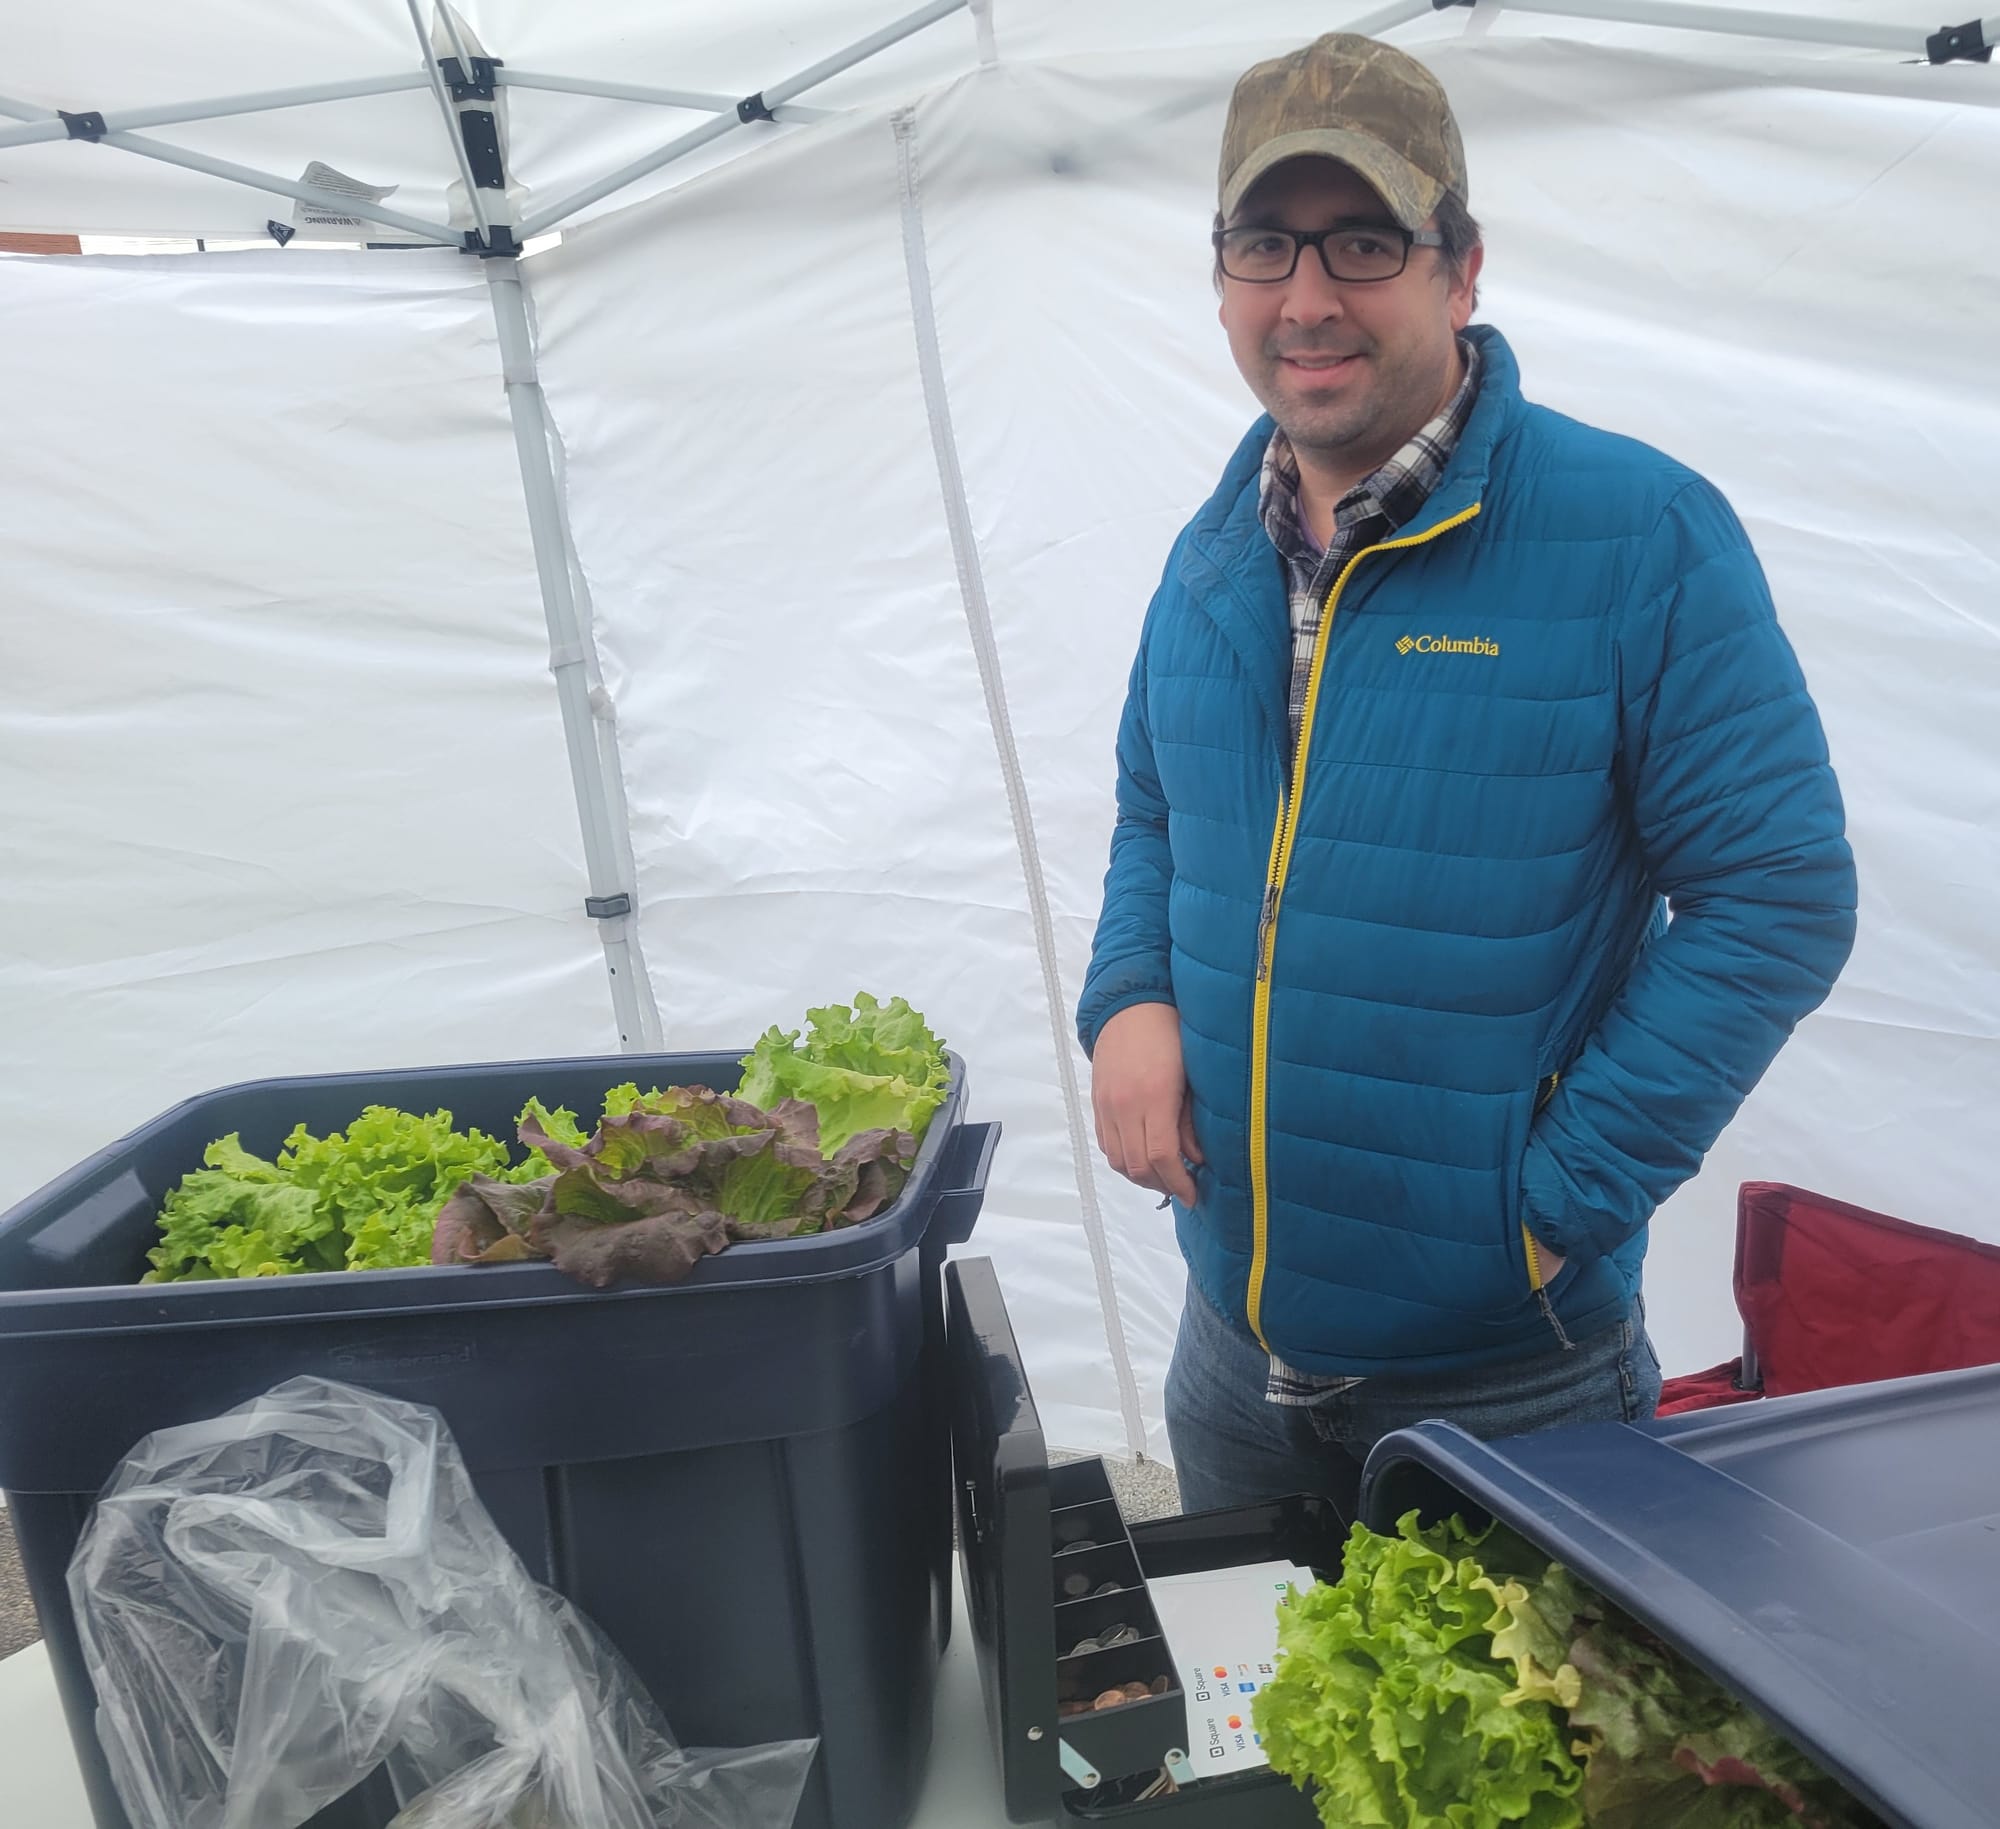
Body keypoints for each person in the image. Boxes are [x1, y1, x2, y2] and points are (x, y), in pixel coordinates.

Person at [1075, 33, 1857, 1516]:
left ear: (1460, 267)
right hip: (1233, 1364)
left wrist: (1550, 1207)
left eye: (1363, 241)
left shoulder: (1639, 535)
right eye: (1264, 245)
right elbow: (1153, 804)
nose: (1306, 296)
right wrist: (1130, 1000)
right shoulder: (1217, 543)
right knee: (1265, 1750)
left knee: (1518, 1757)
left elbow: (1780, 893)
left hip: (1513, 1385)